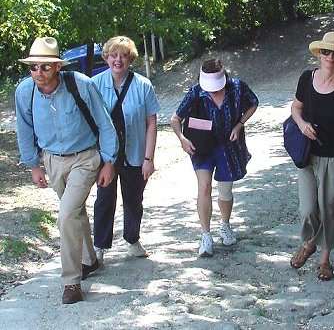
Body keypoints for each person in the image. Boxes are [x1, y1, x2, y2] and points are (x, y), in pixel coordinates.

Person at [15, 37, 118, 304]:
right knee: (74, 213)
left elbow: (105, 124)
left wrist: (108, 161)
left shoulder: (81, 85)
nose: (39, 72)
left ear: (58, 67)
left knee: (66, 213)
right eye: (34, 67)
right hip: (51, 160)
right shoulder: (25, 92)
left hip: (85, 158)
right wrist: (33, 165)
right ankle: (89, 260)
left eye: (45, 67)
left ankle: (71, 282)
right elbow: (24, 129)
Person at [289, 32, 334, 281]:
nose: (330, 57)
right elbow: (295, 108)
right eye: (326, 52)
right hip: (308, 156)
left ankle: (324, 260)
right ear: (320, 54)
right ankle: (309, 243)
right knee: (308, 208)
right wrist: (300, 124)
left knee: (330, 209)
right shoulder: (306, 79)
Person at [170, 58, 258, 257]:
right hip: (202, 145)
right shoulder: (195, 92)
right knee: (204, 186)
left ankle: (225, 225)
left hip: (229, 144)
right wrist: (182, 139)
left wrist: (239, 124)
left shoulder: (237, 87)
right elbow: (175, 119)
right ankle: (205, 235)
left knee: (226, 189)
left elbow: (253, 103)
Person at [92, 36, 160, 263]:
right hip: (106, 155)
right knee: (104, 199)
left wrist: (149, 158)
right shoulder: (95, 84)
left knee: (134, 199)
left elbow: (151, 123)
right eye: (113, 55)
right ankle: (99, 246)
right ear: (106, 57)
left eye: (123, 55)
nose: (118, 60)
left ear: (131, 58)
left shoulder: (143, 85)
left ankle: (132, 239)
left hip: (135, 151)